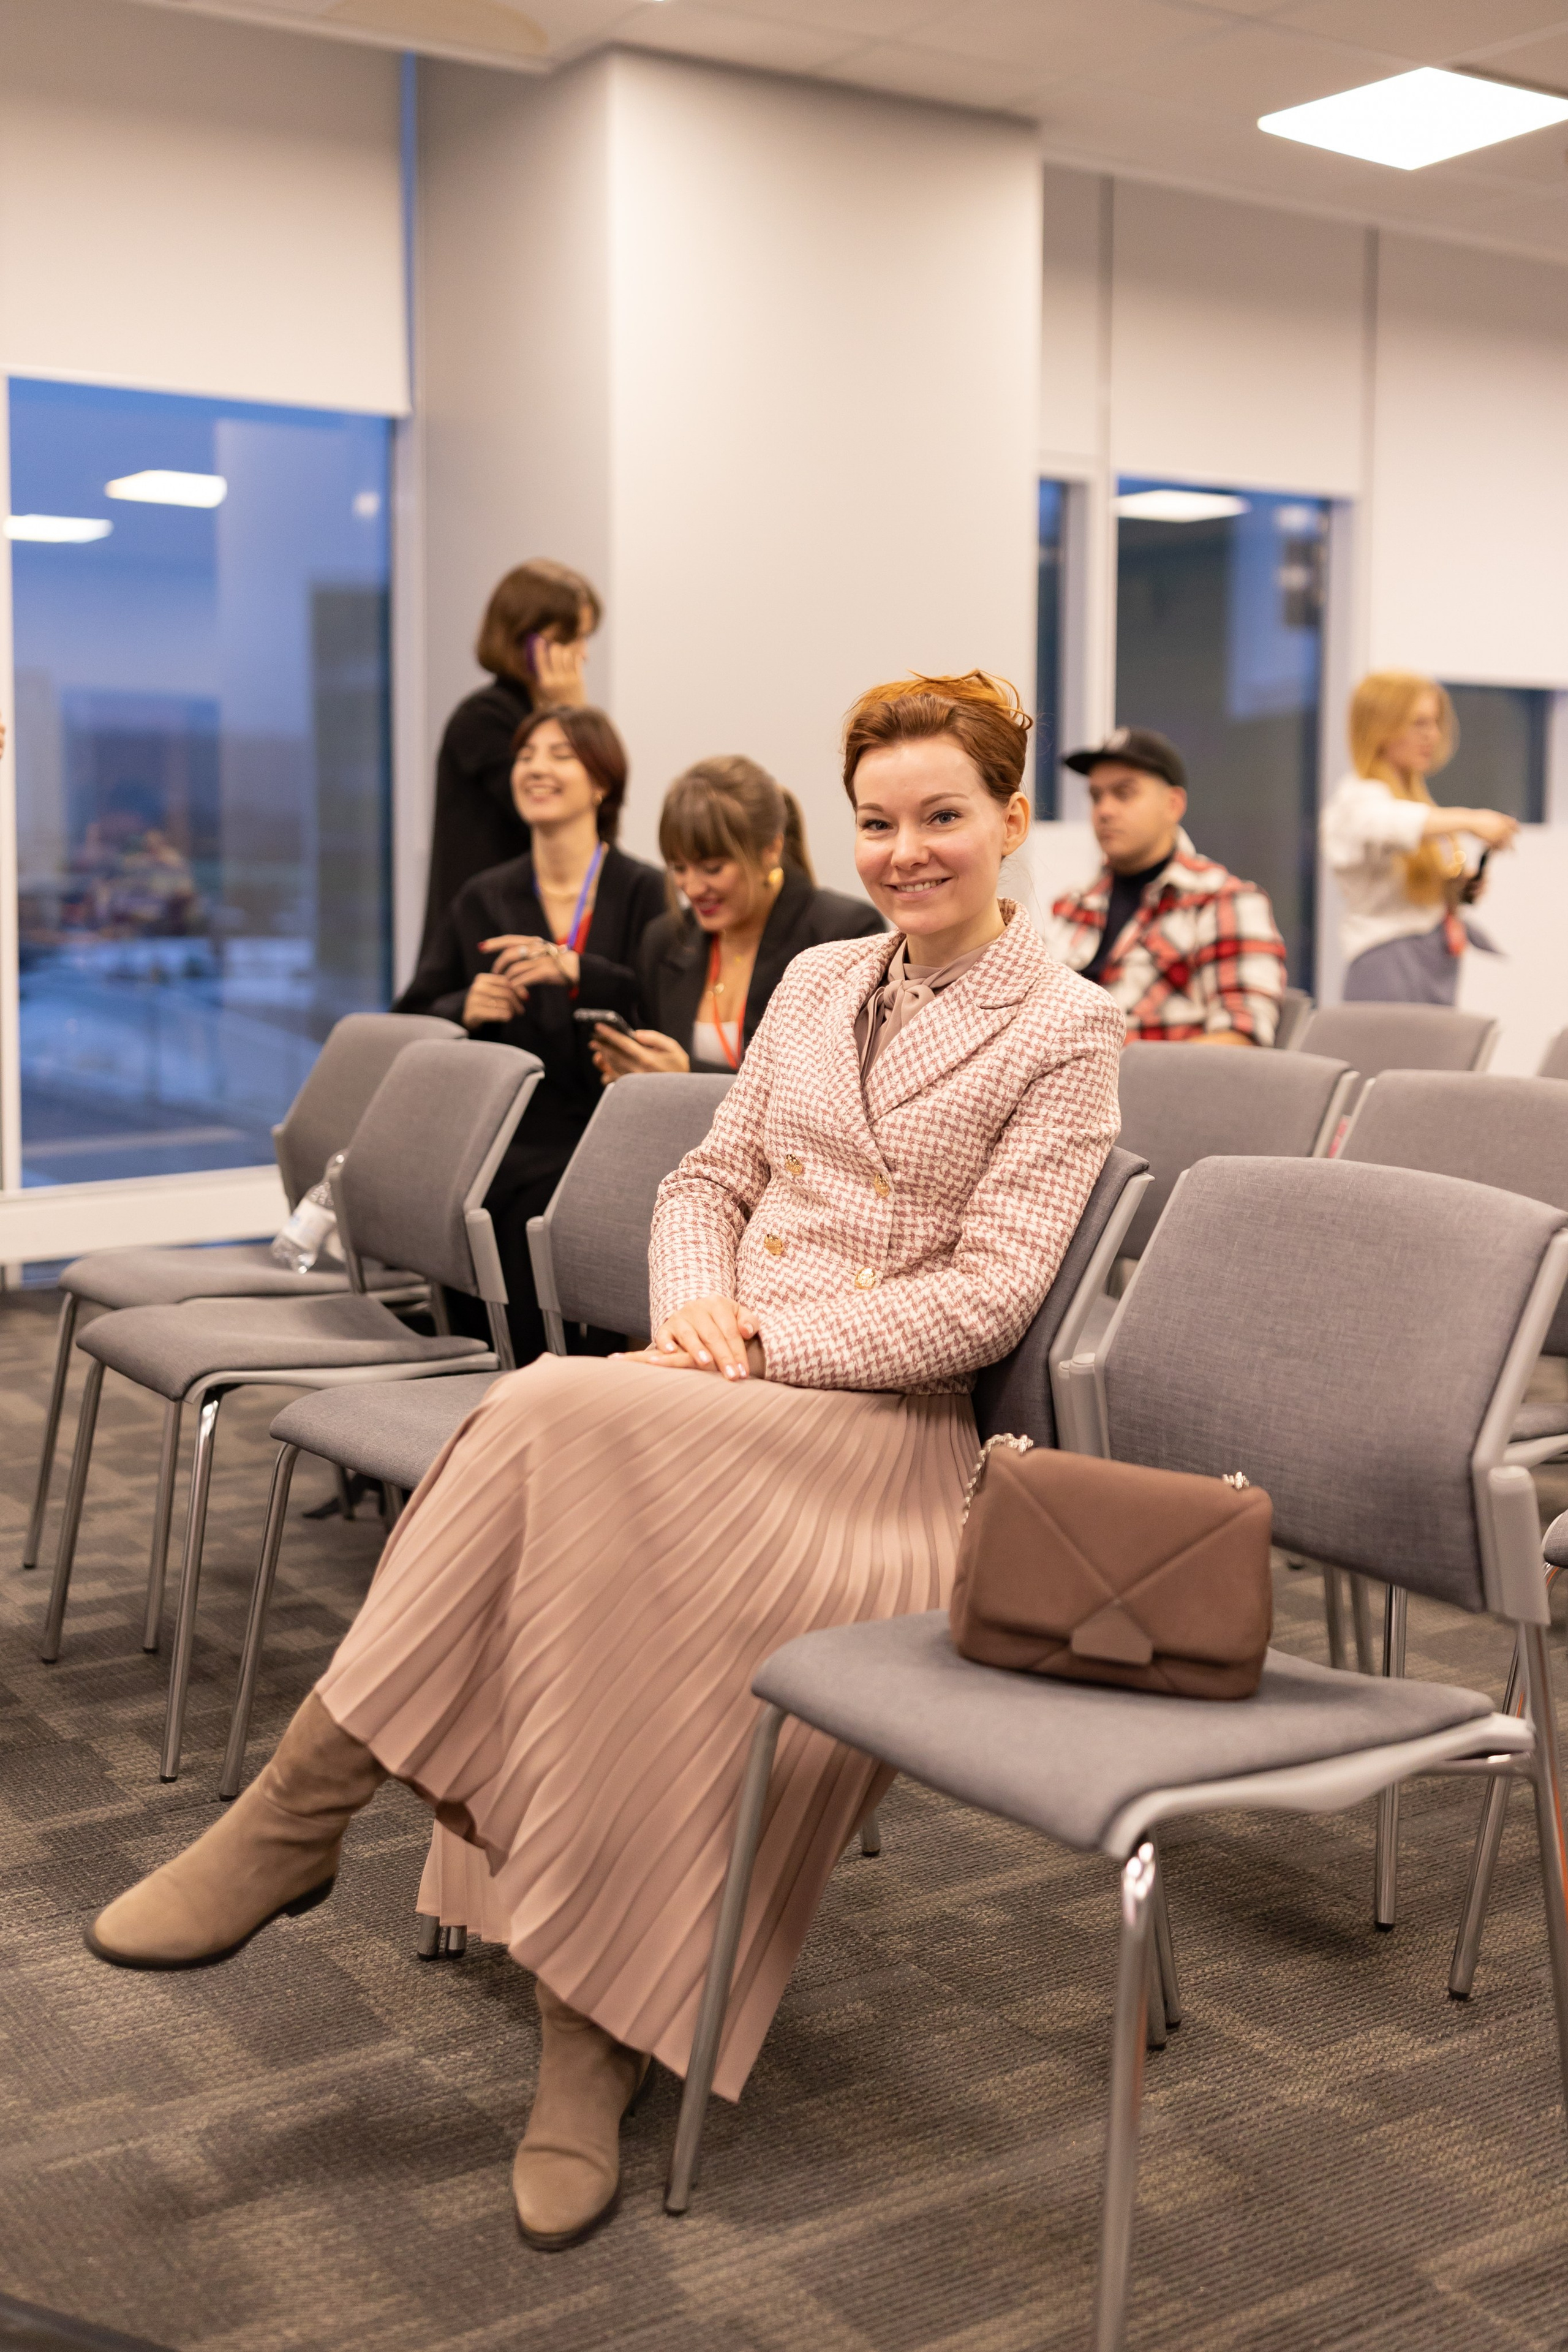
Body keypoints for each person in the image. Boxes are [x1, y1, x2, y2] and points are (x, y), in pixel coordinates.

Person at [83, 670, 1123, 2255]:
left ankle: (313, 1812)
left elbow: (986, 1298)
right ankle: (580, 2019)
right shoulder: (822, 980)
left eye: (944, 820)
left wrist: (762, 1344)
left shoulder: (1067, 1025)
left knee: (542, 1416)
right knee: (580, 1499)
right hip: (719, 1387)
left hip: (882, 1447)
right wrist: (705, 1310)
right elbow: (709, 1180)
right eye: (880, 822)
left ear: (1009, 824)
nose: (909, 851)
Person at [397, 704, 665, 1360]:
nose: (537, 768)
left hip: (608, 1134)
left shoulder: (644, 892)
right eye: (526, 755)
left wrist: (580, 970)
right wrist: (466, 1004)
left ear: (602, 783)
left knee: (554, 1206)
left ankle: (560, 1390)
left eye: (560, 754)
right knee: (474, 1200)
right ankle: (484, 1383)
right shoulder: (483, 897)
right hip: (506, 1137)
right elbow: (412, 1016)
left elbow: (661, 1010)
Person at [588, 755, 883, 1084]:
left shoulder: (842, 935)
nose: (693, 888)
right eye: (679, 868)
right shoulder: (665, 940)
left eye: (713, 869)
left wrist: (683, 1078)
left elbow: (823, 1090)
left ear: (771, 849)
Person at [414, 560, 601, 969]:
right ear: (529, 642)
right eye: (573, 637)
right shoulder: (486, 719)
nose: (583, 653)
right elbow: (569, 813)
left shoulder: (522, 716)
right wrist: (573, 714)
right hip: (485, 942)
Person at [1047, 726, 1286, 1045]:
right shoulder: (1072, 905)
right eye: (1096, 796)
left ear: (1173, 805)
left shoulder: (1224, 902)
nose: (1104, 810)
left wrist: (1125, 1073)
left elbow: (1242, 1040)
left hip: (1153, 1090)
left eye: (1124, 793)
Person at [1321, 673, 1518, 1004]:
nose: (1433, 735)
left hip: (1434, 960)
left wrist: (1457, 887)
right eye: (1419, 724)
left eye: (1435, 723)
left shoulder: (1416, 799)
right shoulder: (1357, 799)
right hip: (1387, 964)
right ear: (1381, 729)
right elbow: (1391, 824)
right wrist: (1470, 821)